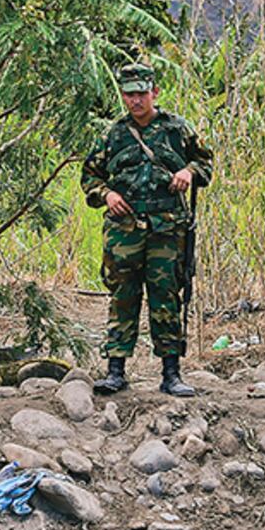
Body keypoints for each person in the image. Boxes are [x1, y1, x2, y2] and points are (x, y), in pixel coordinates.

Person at [81, 63, 213, 397]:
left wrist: (188, 171)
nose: (136, 100)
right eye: (129, 94)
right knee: (122, 296)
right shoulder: (113, 134)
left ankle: (171, 374)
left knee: (166, 296)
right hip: (124, 228)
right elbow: (90, 178)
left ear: (154, 92)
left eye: (142, 93)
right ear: (123, 95)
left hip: (167, 229)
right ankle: (116, 371)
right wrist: (107, 194)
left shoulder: (177, 129)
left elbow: (206, 164)